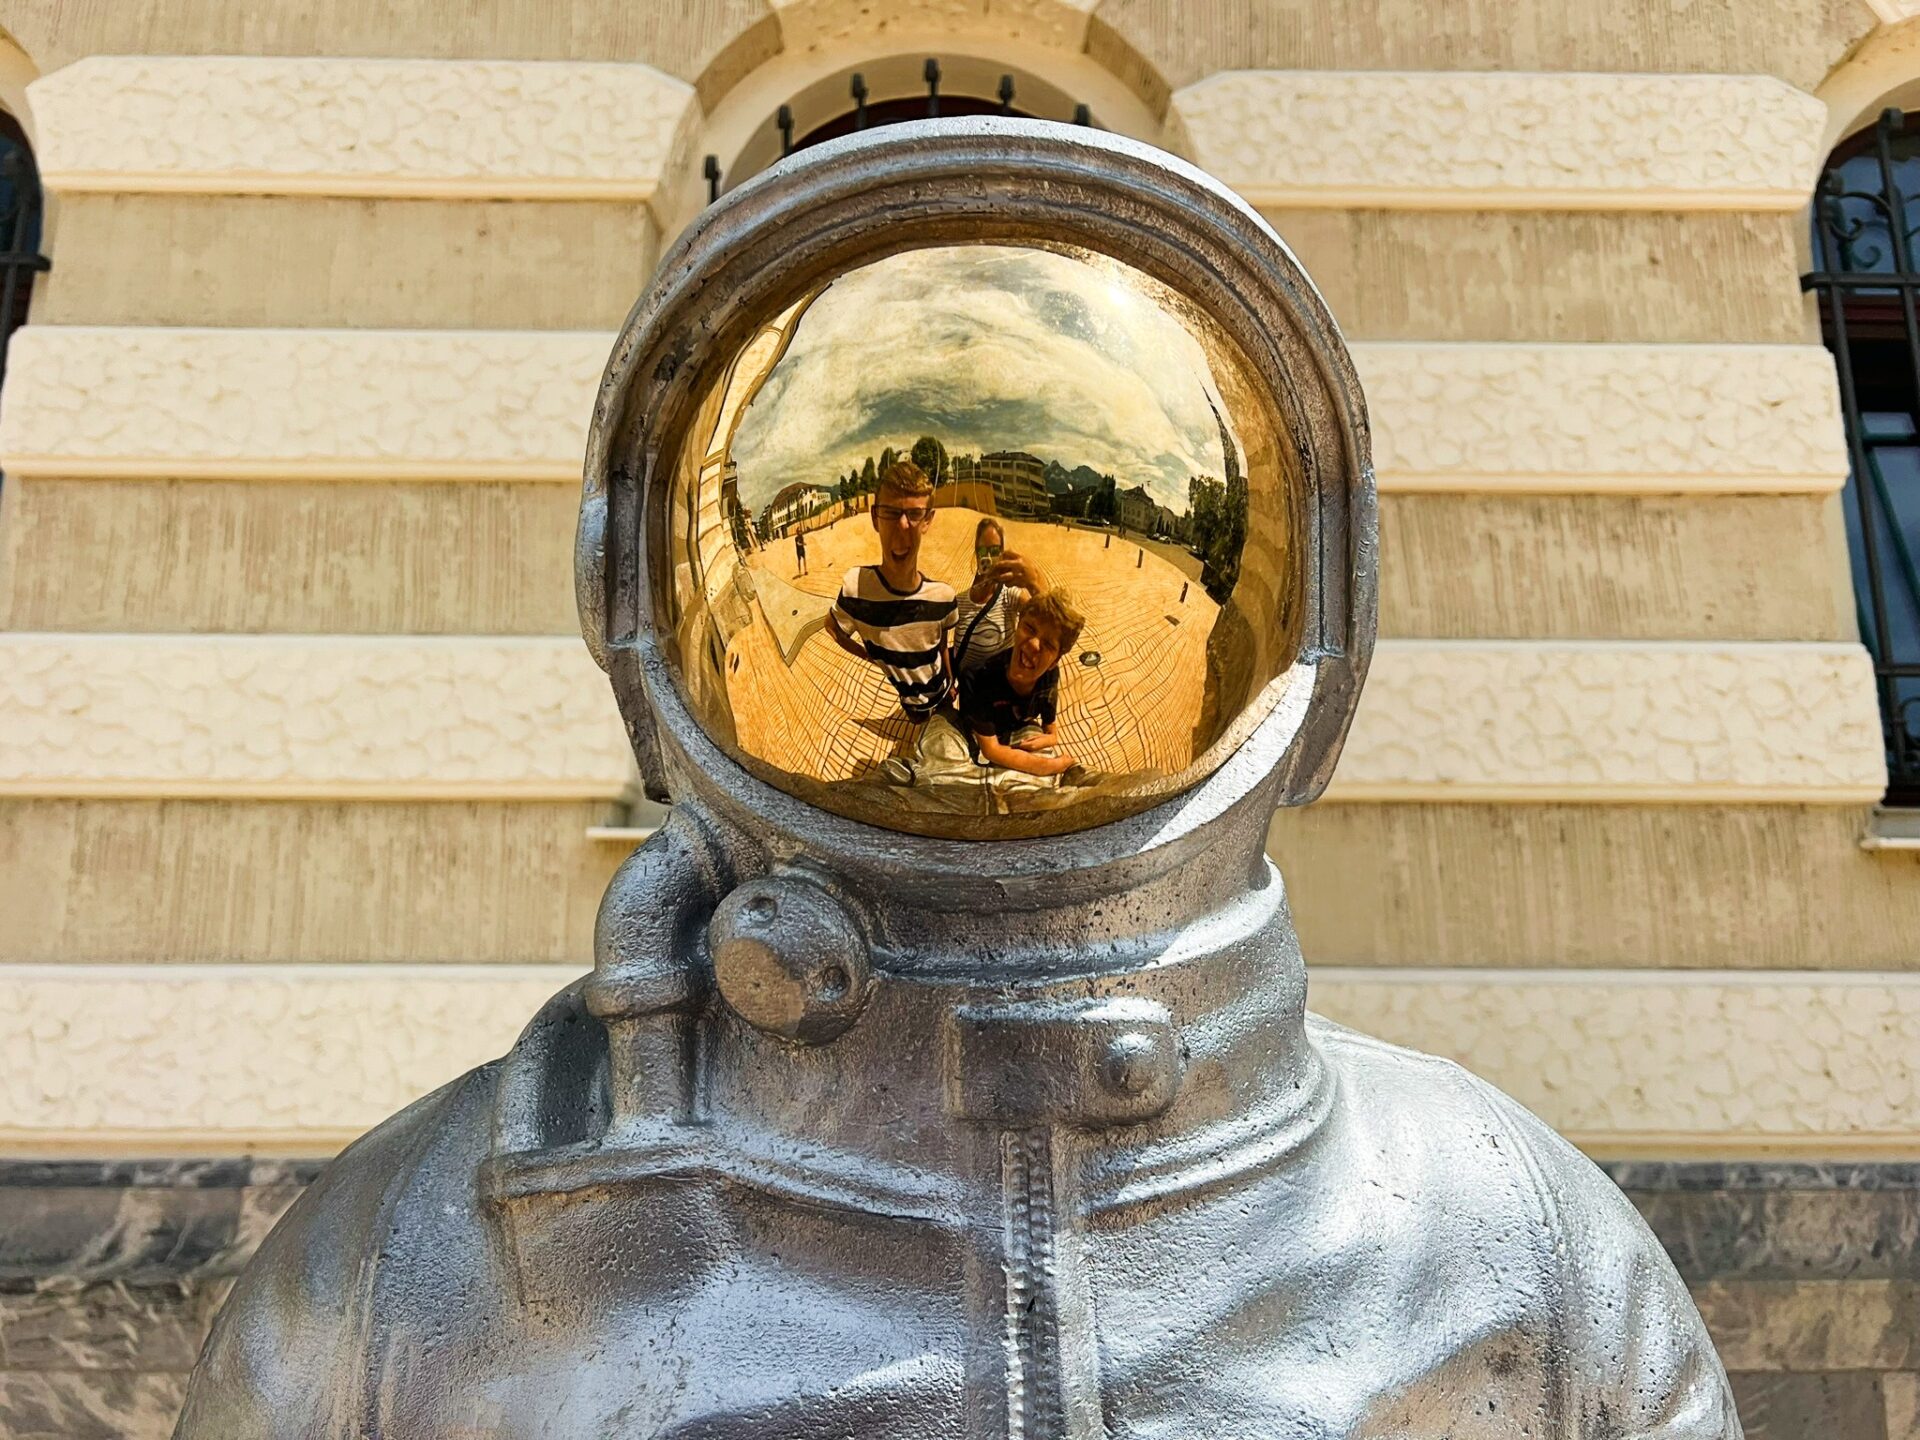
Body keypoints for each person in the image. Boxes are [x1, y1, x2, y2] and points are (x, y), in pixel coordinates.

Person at [824, 460, 956, 721]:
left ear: (928, 520)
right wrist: (871, 657)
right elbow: (831, 627)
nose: (904, 525)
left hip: (944, 694)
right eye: (891, 513)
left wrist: (951, 680)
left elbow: (941, 644)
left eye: (915, 514)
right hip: (910, 704)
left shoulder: (943, 597)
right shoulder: (856, 588)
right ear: (875, 518)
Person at [959, 589, 1084, 778]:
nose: (1034, 644)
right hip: (978, 733)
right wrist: (1050, 766)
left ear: (1054, 662)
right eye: (1030, 628)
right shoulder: (977, 678)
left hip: (1013, 729)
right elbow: (991, 750)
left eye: (1048, 644)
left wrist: (1051, 737)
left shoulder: (1049, 676)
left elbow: (1050, 726)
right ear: (1018, 626)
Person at [952, 517, 1047, 676]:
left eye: (994, 551)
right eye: (983, 551)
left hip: (997, 695)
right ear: (976, 553)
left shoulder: (1010, 595)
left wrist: (1034, 581)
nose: (988, 558)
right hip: (967, 694)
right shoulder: (960, 601)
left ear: (1002, 554)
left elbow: (1044, 617)